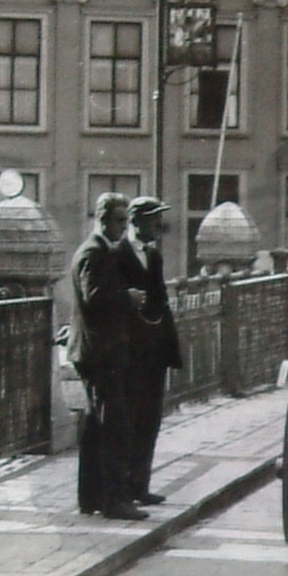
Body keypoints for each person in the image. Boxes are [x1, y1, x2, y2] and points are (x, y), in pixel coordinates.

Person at [67, 192, 151, 521]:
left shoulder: (99, 250)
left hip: (97, 350)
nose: (124, 227)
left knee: (96, 426)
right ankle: (114, 501)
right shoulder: (94, 252)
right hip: (99, 352)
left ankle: (91, 497)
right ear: (103, 220)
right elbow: (94, 297)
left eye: (126, 221)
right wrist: (127, 297)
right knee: (114, 425)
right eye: (119, 221)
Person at [122, 195, 186, 506]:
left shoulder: (153, 255)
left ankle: (140, 485)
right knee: (129, 419)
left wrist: (169, 348)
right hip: (130, 352)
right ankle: (124, 487)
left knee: (150, 419)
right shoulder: (118, 254)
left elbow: (161, 301)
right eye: (153, 220)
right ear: (135, 221)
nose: (158, 226)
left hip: (154, 352)